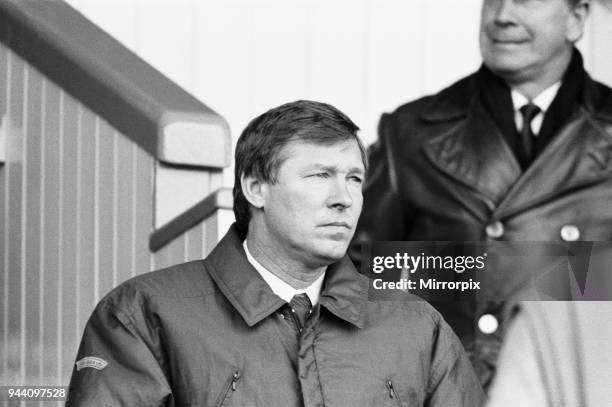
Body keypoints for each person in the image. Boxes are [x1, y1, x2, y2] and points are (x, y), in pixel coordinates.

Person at [67, 100, 485, 406]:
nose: (344, 198)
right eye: (320, 175)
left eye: (354, 178)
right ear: (255, 188)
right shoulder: (142, 314)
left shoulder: (418, 326)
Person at [351, 0, 612, 388]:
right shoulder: (410, 133)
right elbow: (361, 282)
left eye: (525, 1)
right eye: (492, 0)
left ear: (576, 20)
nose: (502, 15)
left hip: (571, 384)